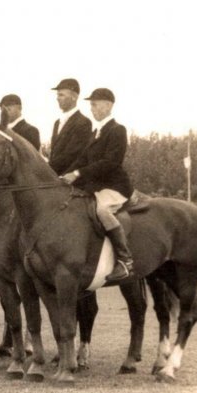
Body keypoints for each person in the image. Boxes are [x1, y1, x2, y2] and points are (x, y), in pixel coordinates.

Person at [61, 88, 134, 283]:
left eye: (95, 103)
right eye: (91, 104)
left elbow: (111, 162)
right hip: (95, 187)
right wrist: (61, 177)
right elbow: (82, 159)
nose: (91, 108)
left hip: (115, 186)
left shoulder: (118, 130)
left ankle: (125, 261)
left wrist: (77, 174)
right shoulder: (95, 132)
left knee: (102, 210)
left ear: (108, 105)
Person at [49, 78, 93, 176]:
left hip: (70, 179)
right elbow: (54, 153)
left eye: (61, 95)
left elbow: (72, 155)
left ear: (74, 97)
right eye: (57, 95)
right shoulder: (57, 123)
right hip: (54, 177)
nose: (57, 98)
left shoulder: (84, 123)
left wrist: (46, 168)